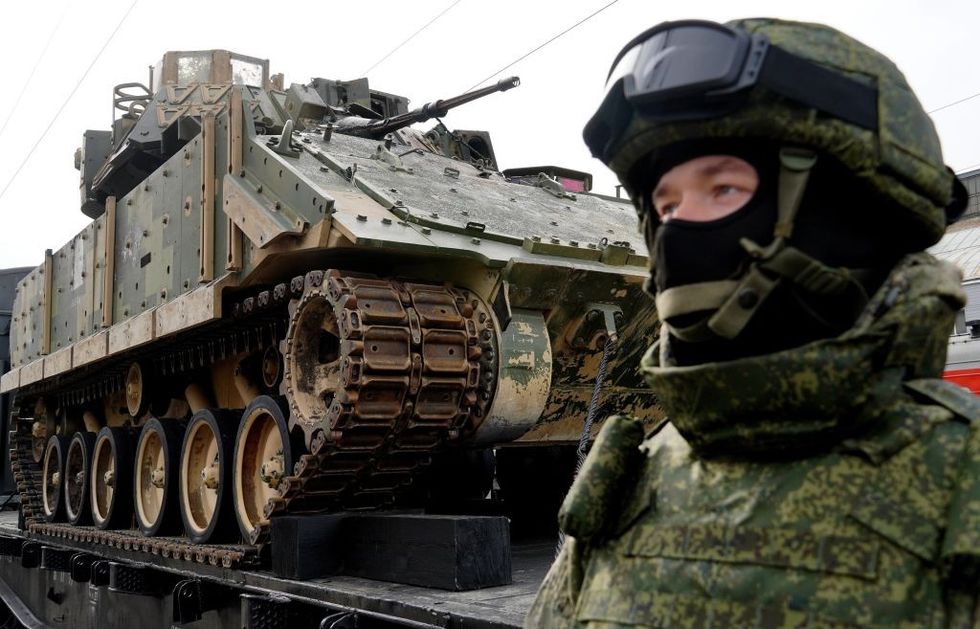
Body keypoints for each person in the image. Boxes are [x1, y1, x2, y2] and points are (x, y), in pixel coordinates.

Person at [526, 18, 980, 628]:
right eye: (665, 205)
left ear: (848, 211)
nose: (680, 231)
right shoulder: (636, 476)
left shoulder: (963, 473)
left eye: (723, 190)